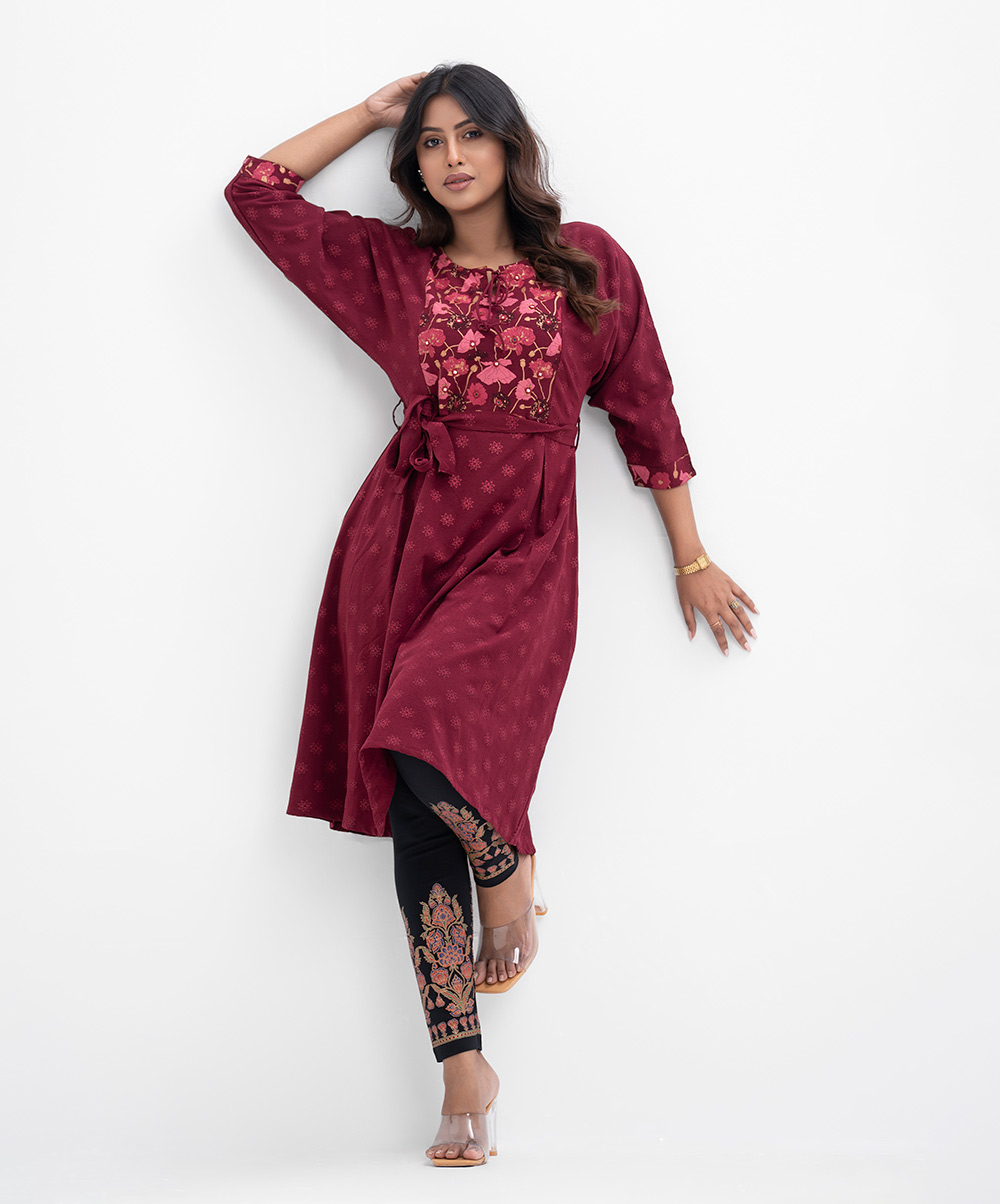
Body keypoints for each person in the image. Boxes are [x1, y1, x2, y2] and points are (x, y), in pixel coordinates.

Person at [223, 62, 758, 1168]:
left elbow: (647, 406)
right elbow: (257, 192)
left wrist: (692, 554)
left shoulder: (588, 264)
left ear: (512, 145)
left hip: (523, 553)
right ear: (412, 166)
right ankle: (463, 1065)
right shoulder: (393, 269)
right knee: (411, 795)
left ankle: (505, 865)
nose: (452, 156)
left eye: (471, 133)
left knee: (419, 740)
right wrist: (369, 111)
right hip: (402, 545)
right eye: (429, 142)